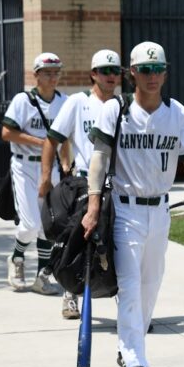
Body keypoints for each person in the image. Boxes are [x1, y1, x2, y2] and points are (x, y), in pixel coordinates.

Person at [81, 41, 184, 367]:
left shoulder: (177, 112)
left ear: (166, 72)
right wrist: (93, 204)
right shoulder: (116, 110)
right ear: (132, 73)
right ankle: (136, 365)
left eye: (158, 69)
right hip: (126, 209)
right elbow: (98, 157)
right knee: (129, 285)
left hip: (160, 209)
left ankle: (130, 346)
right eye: (145, 70)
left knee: (151, 285)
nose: (152, 76)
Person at [40, 49, 121, 319]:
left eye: (116, 71)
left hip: (116, 183)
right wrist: (46, 178)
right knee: (80, 239)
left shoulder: (123, 105)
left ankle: (127, 304)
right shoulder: (78, 102)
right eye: (105, 71)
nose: (111, 76)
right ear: (93, 74)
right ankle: (69, 293)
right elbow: (52, 139)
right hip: (86, 183)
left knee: (117, 244)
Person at [2, 52, 67, 294]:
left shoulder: (64, 102)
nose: (53, 77)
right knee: (29, 224)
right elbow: (7, 132)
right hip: (25, 164)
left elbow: (66, 137)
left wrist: (67, 163)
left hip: (53, 167)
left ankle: (42, 276)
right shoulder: (23, 100)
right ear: (36, 75)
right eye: (48, 73)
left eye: (56, 72)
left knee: (48, 225)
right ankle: (17, 259)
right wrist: (41, 142)